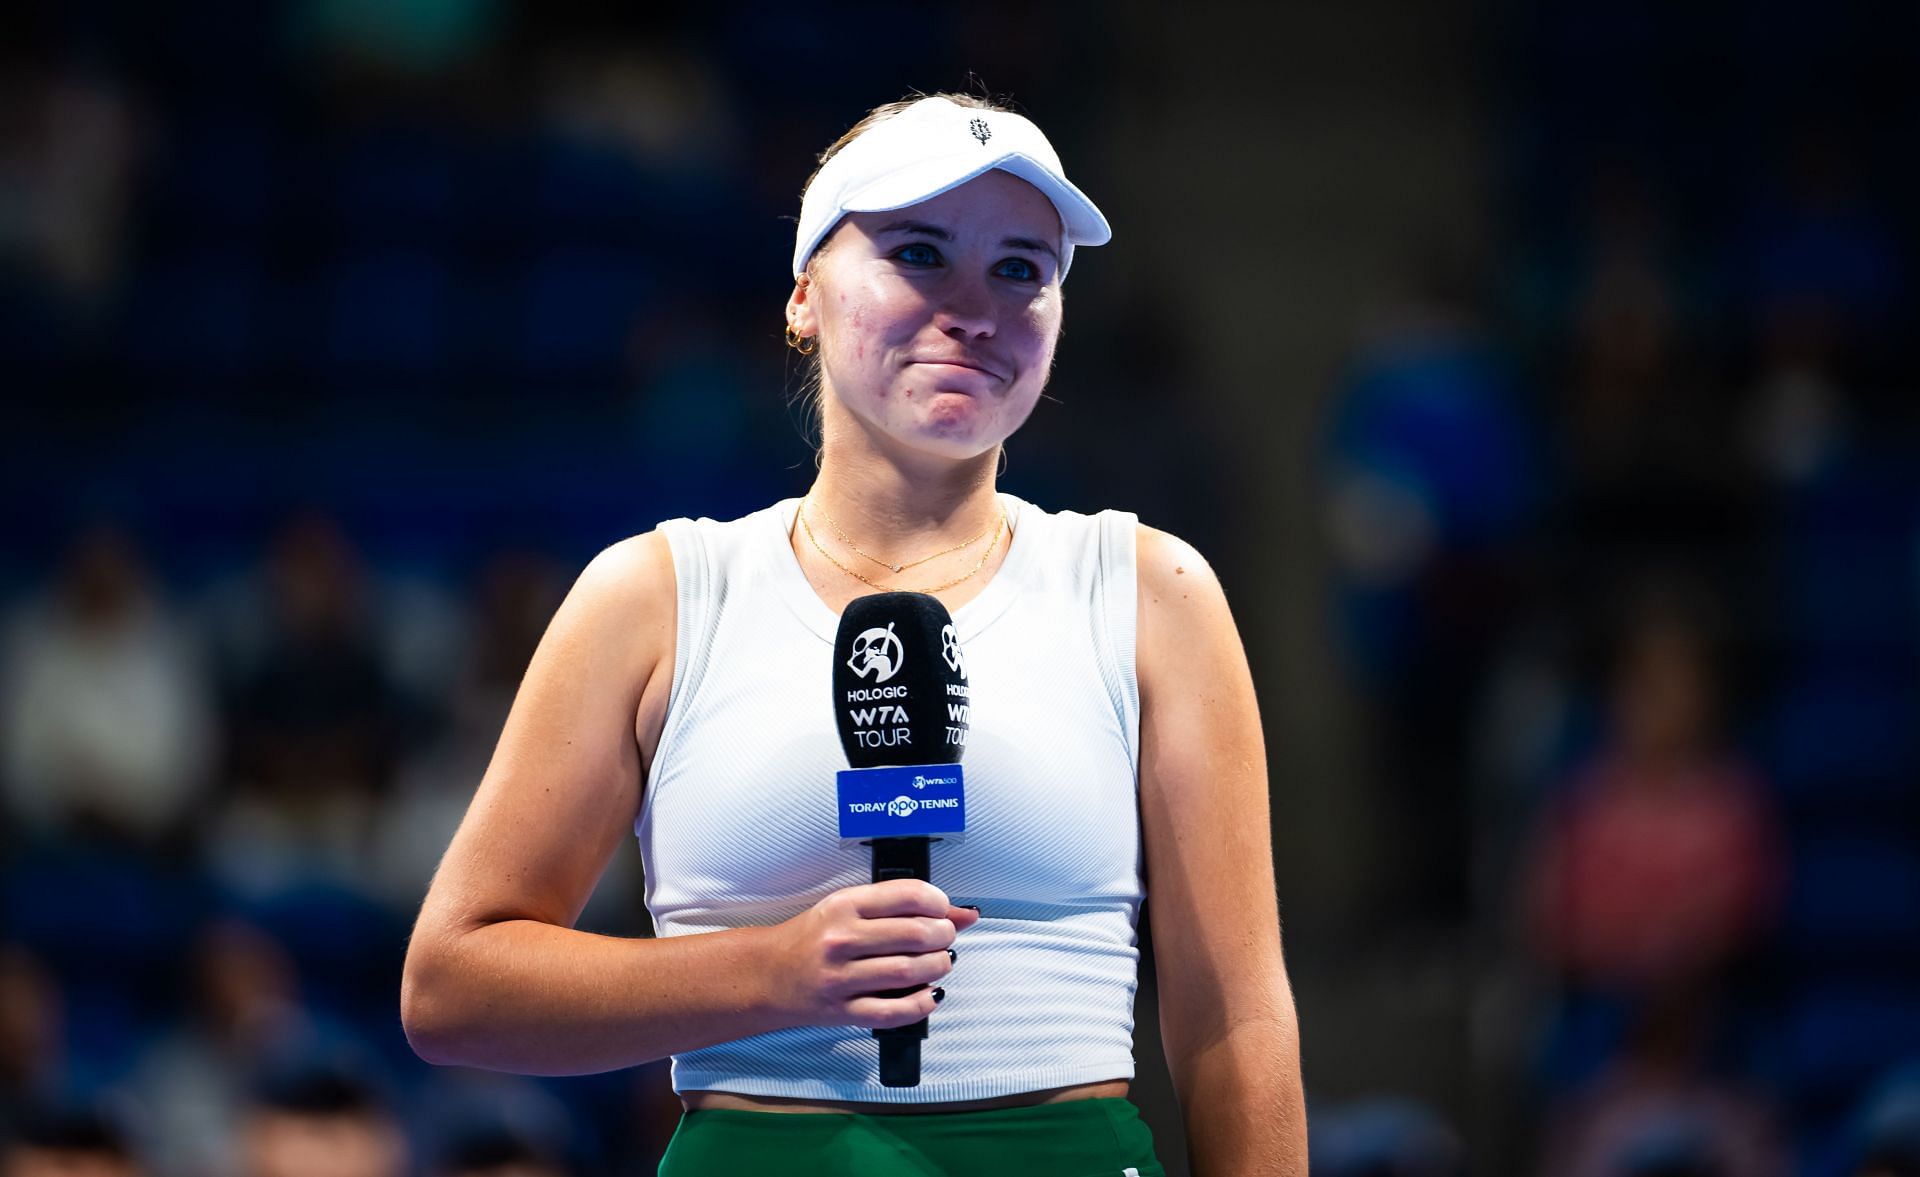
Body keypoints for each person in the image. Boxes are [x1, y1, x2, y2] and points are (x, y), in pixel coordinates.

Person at [401, 91, 1307, 1176]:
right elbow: (452, 987)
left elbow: (1235, 1023)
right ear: (803, 296)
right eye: (919, 253)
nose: (973, 307)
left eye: (1022, 268)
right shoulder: (659, 596)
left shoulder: (1151, 590)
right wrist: (769, 972)